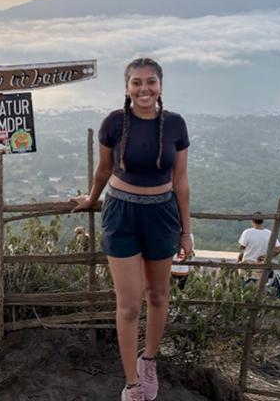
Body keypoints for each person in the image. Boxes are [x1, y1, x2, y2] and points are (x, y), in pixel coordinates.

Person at [70, 57, 192, 401]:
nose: (144, 89)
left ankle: (148, 361)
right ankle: (132, 383)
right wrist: (92, 198)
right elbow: (103, 170)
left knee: (157, 295)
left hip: (162, 215)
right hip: (121, 213)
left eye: (150, 82)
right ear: (127, 87)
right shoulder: (113, 123)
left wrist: (186, 231)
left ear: (160, 86)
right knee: (128, 304)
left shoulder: (176, 125)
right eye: (136, 83)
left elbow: (180, 182)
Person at [237, 215, 280, 284]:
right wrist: (266, 256)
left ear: (252, 221)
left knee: (245, 289)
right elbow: (279, 249)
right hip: (261, 267)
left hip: (247, 267)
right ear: (262, 221)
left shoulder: (247, 232)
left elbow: (241, 247)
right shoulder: (269, 233)